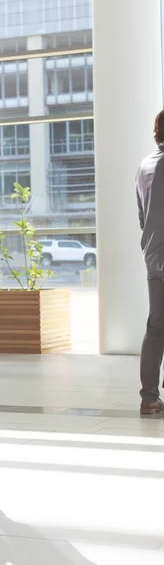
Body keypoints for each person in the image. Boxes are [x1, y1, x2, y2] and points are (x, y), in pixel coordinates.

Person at [137, 108, 164, 415]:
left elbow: (142, 215)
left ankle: (149, 397)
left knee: (155, 327)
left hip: (154, 258)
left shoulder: (144, 165)